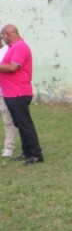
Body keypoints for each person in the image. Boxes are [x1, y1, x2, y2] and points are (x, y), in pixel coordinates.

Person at [0, 24, 44, 165]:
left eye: (2, 35)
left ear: (7, 34)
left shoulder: (20, 46)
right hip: (11, 93)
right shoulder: (13, 47)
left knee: (25, 124)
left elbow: (13, 67)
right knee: (19, 123)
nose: (2, 39)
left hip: (18, 92)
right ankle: (27, 152)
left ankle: (36, 154)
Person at [0, 32, 17, 158]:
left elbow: (12, 68)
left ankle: (9, 147)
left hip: (5, 91)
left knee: (8, 121)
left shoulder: (8, 50)